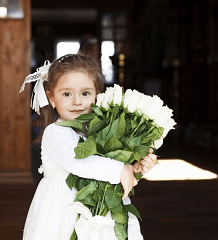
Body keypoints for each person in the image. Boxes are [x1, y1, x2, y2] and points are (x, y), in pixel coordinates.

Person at [19, 54, 157, 240]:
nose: (77, 101)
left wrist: (134, 168)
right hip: (64, 211)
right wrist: (119, 170)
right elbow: (77, 162)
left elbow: (110, 168)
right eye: (67, 94)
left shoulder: (100, 132)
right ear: (51, 98)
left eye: (85, 93)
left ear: (97, 95)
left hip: (101, 211)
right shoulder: (55, 132)